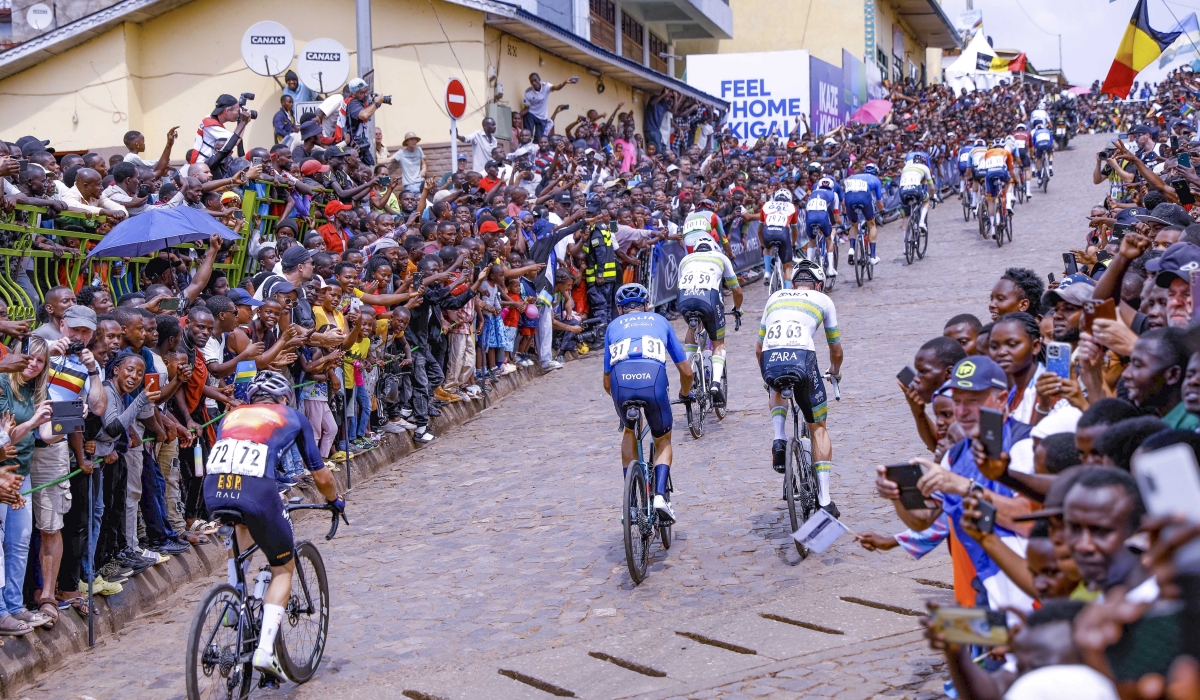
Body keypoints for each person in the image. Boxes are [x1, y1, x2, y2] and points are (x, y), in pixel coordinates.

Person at [204, 371, 343, 680]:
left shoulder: (232, 416)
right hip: (257, 492)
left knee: (242, 526)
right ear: (283, 399)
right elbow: (320, 475)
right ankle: (266, 650)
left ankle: (233, 598)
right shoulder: (291, 416)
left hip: (214, 490)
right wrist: (334, 500)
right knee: (282, 568)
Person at [758, 260, 842, 515]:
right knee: (818, 428)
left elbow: (758, 348)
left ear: (793, 285)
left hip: (771, 358)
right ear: (818, 285)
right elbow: (835, 349)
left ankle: (779, 438)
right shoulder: (823, 300)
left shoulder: (774, 297)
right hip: (803, 357)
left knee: (774, 386)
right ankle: (825, 500)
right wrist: (835, 372)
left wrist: (767, 379)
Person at [603, 284, 693, 523]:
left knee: (630, 431)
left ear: (620, 309)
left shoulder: (613, 326)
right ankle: (660, 497)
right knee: (663, 440)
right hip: (653, 382)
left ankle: (631, 505)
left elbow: (606, 381)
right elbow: (686, 371)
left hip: (620, 385)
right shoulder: (660, 321)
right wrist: (684, 394)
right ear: (646, 306)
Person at [676, 238, 742, 407]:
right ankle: (715, 384)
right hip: (709, 299)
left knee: (692, 327)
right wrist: (737, 308)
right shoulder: (720, 257)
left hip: (685, 299)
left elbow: (680, 285)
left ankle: (689, 370)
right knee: (718, 343)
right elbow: (736, 289)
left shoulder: (686, 259)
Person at [842, 162, 885, 266]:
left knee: (854, 225)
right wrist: (882, 210)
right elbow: (879, 202)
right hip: (863, 197)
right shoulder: (875, 180)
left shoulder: (853, 177)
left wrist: (845, 212)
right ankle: (873, 256)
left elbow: (843, 202)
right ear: (876, 173)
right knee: (872, 224)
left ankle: (852, 249)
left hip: (849, 198)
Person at [758, 189, 800, 288]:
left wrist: (762, 244)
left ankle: (767, 272)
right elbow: (794, 230)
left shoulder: (766, 205)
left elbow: (759, 230)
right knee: (787, 266)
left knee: (767, 249)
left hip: (767, 231)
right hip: (783, 232)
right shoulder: (791, 207)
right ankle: (787, 291)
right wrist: (793, 243)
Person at [522, 73, 577, 140]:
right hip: (531, 114)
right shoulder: (528, 92)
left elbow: (556, 88)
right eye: (531, 81)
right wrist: (516, 116)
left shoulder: (546, 86)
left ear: (539, 79)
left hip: (542, 117)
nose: (533, 83)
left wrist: (564, 82)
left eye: (535, 80)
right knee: (528, 133)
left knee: (539, 138)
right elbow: (526, 108)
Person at [805, 177, 842, 269]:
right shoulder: (834, 194)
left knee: (811, 240)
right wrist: (842, 224)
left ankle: (808, 262)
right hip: (822, 217)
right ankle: (830, 268)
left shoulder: (812, 193)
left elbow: (807, 210)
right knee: (829, 240)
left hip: (810, 217)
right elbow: (836, 216)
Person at [982, 137, 1015, 233]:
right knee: (1010, 182)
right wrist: (1014, 179)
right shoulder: (1006, 152)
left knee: (992, 200)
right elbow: (1011, 170)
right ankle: (1008, 204)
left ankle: (993, 229)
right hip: (1001, 172)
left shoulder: (987, 153)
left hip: (989, 175)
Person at [898, 153, 935, 238]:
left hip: (902, 191)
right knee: (926, 200)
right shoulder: (925, 168)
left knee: (906, 217)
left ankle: (905, 246)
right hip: (915, 190)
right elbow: (932, 188)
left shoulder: (905, 168)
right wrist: (933, 197)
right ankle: (921, 222)